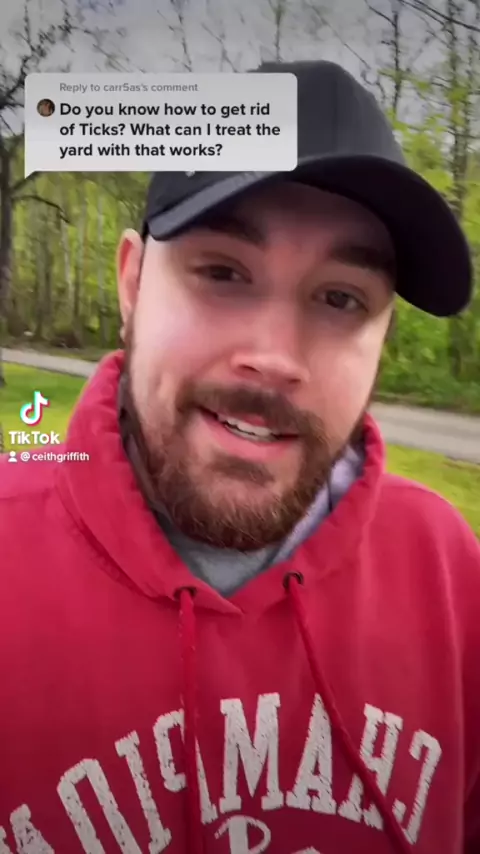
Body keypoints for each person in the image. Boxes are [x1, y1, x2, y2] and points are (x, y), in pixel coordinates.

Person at [0, 60, 479, 854]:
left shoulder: (451, 577)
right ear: (132, 284)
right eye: (223, 273)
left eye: (340, 298)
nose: (275, 356)